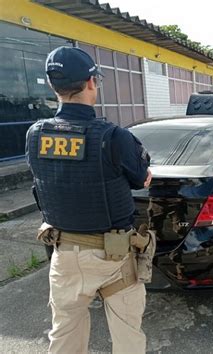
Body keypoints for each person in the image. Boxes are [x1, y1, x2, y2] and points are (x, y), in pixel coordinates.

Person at [25, 46, 152, 354]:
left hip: (64, 254)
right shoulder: (113, 136)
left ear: (54, 87)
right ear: (91, 82)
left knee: (64, 337)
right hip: (115, 258)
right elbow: (142, 177)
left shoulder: (34, 134)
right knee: (127, 340)